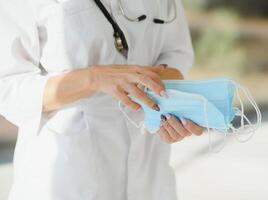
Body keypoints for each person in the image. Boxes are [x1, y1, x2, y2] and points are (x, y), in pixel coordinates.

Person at [0, 0, 203, 199]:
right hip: (68, 176)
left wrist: (168, 108)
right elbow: (7, 87)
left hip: (150, 174)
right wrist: (93, 78)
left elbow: (177, 54)